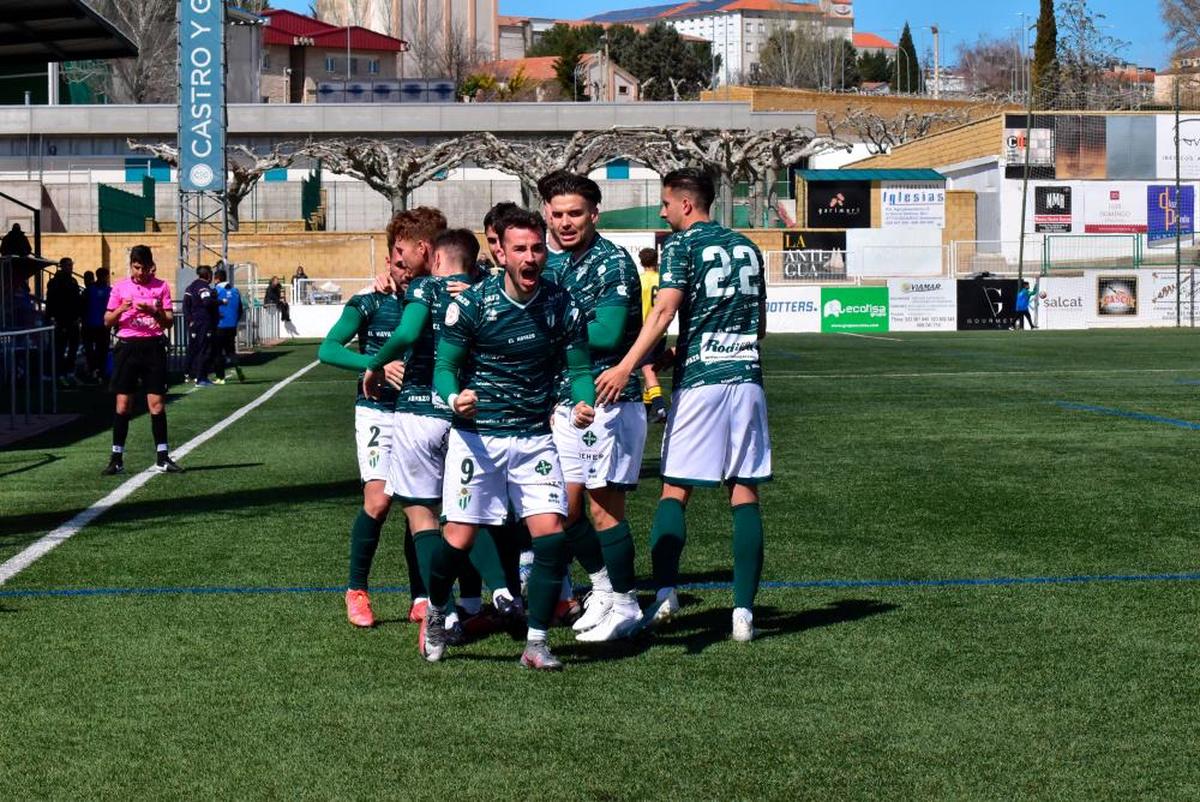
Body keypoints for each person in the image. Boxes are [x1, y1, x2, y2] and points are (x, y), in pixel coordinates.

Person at [596, 168, 770, 643]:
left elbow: (665, 309)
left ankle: (666, 593)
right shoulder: (749, 248)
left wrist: (628, 365)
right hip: (747, 379)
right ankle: (743, 613)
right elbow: (758, 330)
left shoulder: (680, 245)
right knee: (744, 493)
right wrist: (678, 351)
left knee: (674, 490)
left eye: (666, 203)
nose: (662, 211)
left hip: (702, 385)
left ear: (686, 205)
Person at [419, 208, 595, 670]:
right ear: (500, 252)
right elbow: (444, 369)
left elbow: (579, 369)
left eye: (538, 247)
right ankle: (437, 610)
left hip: (534, 438)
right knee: (456, 539)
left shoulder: (562, 304)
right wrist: (454, 398)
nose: (531, 256)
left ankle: (536, 643)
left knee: (551, 538)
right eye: (521, 248)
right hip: (478, 440)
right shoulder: (472, 305)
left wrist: (583, 401)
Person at [363, 228, 524, 637]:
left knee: (423, 517)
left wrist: (376, 363)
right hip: (469, 412)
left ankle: (444, 611)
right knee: (468, 512)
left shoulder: (426, 289)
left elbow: (408, 333)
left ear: (434, 258)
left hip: (419, 411)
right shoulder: (490, 290)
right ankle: (503, 589)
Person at [317, 207, 445, 628]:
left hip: (425, 413)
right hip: (378, 412)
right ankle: (357, 590)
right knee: (379, 499)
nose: (397, 263)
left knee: (419, 505)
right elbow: (328, 348)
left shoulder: (441, 294)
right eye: (393, 255)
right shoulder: (370, 301)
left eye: (401, 253)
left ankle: (422, 597)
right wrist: (374, 363)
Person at [540, 171, 647, 642]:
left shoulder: (613, 262)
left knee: (604, 511)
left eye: (575, 214)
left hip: (608, 401)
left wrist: (539, 334)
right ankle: (604, 589)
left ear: (594, 214)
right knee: (566, 510)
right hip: (567, 401)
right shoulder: (556, 264)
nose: (566, 223)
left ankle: (626, 606)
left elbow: (605, 334)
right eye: (558, 214)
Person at [102, 244, 182, 475]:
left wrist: (152, 311)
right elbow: (107, 320)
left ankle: (162, 457)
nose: (140, 272)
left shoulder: (161, 286)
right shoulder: (120, 288)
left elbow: (168, 322)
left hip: (153, 348)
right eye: (136, 268)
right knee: (123, 404)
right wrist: (121, 309)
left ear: (151, 267)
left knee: (156, 405)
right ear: (131, 266)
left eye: (144, 268)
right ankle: (116, 458)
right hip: (127, 348)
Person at [638, 247, 669, 423]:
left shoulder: (640, 281)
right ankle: (646, 409)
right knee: (652, 369)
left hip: (646, 331)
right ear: (656, 260)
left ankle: (660, 408)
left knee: (647, 370)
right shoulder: (663, 280)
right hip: (661, 331)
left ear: (641, 262)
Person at [45, 257, 82, 385]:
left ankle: (69, 372)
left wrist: (78, 316)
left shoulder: (73, 281)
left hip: (73, 320)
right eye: (68, 265)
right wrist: (52, 317)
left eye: (71, 265)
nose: (71, 268)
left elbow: (77, 300)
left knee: (73, 347)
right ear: (62, 266)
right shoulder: (55, 282)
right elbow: (52, 302)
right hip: (61, 320)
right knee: (60, 349)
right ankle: (59, 374)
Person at [182, 266, 219, 386]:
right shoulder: (203, 287)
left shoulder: (191, 286)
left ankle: (188, 373)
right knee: (204, 349)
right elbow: (207, 302)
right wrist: (220, 301)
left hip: (194, 323)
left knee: (193, 348)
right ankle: (201, 377)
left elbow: (185, 305)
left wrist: (189, 319)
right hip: (203, 322)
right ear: (208, 275)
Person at [212, 268, 244, 384]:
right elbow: (240, 309)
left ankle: (220, 377)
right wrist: (235, 320)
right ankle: (237, 365)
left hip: (220, 325)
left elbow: (211, 306)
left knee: (218, 352)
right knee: (230, 350)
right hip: (232, 326)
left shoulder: (216, 290)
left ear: (217, 279)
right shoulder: (235, 290)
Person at [81, 267, 112, 382]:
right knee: (99, 350)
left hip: (94, 325)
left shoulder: (90, 290)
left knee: (97, 350)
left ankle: (96, 371)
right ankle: (97, 371)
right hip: (97, 325)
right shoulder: (107, 291)